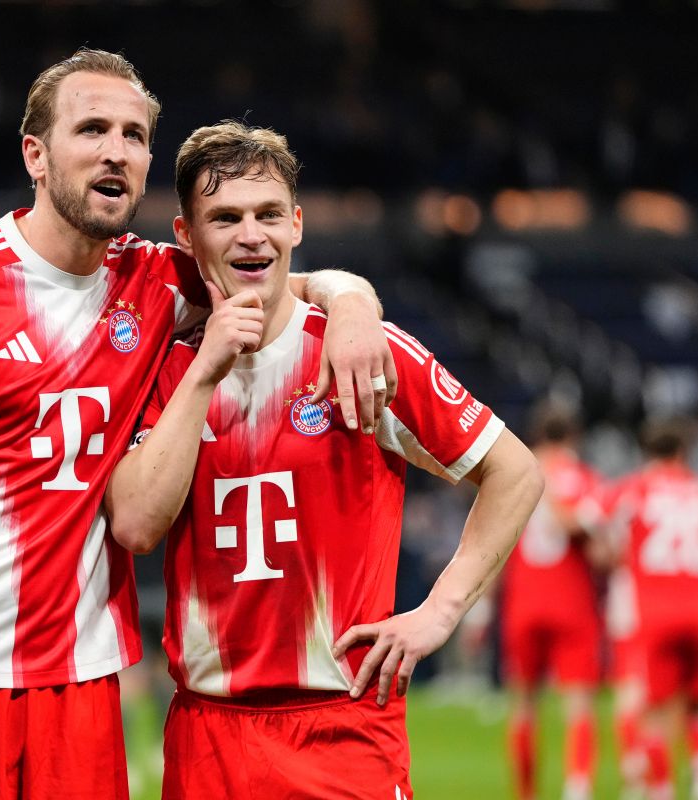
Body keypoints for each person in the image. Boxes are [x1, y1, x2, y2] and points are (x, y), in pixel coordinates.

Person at [0, 49, 395, 800]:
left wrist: (355, 307)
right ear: (35, 153)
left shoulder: (158, 281)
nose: (116, 150)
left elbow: (286, 280)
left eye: (134, 136)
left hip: (83, 689)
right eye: (92, 128)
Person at [105, 121, 543, 799]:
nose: (252, 234)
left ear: (297, 225)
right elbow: (133, 525)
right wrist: (205, 373)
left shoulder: (365, 353)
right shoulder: (163, 366)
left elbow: (515, 472)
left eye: (268, 214)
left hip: (342, 732)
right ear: (186, 237)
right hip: (207, 737)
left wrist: (440, 611)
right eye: (225, 217)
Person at [604, 418, 698, 800]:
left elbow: (600, 528)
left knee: (654, 712)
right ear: (684, 452)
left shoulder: (634, 488)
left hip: (656, 610)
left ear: (647, 453)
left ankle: (659, 789)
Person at [498, 403, 606, 800]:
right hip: (572, 601)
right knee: (578, 705)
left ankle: (525, 794)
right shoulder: (584, 479)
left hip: (523, 600)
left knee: (524, 705)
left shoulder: (513, 471)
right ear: (573, 437)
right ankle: (577, 788)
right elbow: (599, 553)